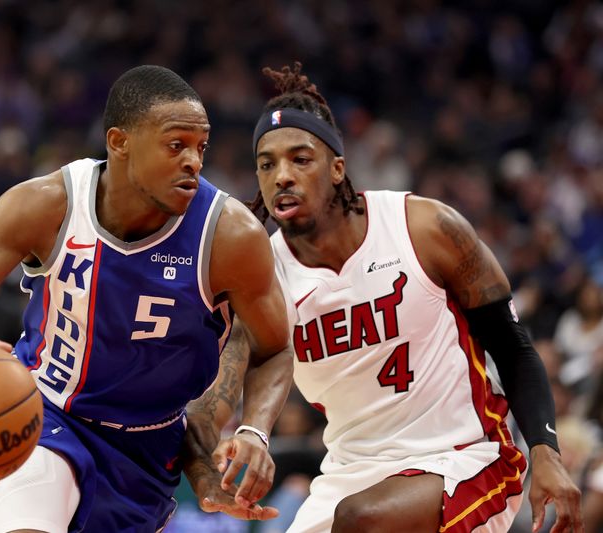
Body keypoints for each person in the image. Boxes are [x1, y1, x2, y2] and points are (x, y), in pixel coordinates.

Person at [185, 62, 582, 532]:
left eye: (300, 159)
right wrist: (211, 475)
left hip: (465, 457)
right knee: (358, 514)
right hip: (350, 475)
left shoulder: (426, 228)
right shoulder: (262, 279)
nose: (282, 176)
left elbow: (513, 346)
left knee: (361, 521)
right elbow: (211, 403)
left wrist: (546, 451)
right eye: (267, 164)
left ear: (337, 168)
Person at [0, 64, 293, 533]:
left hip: (149, 450)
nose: (193, 161)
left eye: (200, 148)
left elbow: (275, 347)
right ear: (119, 141)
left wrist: (255, 430)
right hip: (44, 418)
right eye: (175, 145)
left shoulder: (230, 235)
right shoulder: (44, 206)